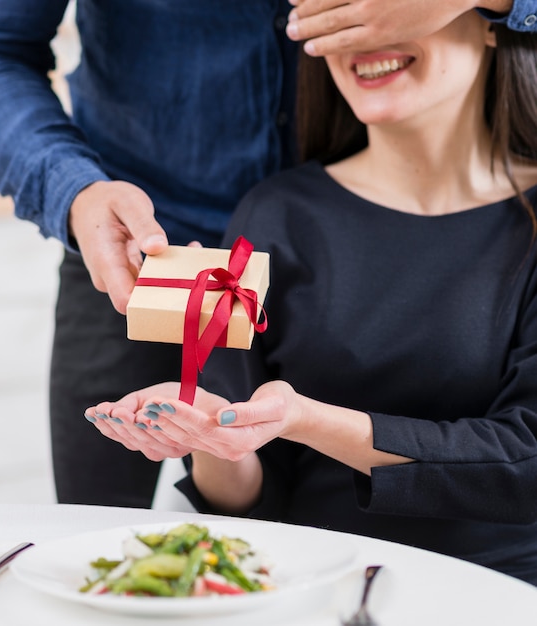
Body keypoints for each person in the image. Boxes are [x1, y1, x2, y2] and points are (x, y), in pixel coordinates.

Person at [0, 0, 536, 509]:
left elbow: (516, 465)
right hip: (144, 250)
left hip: (380, 197)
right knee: (97, 538)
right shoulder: (279, 211)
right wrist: (74, 193)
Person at [84, 10, 537, 585]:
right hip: (308, 587)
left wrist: (304, 418)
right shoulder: (276, 215)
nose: (357, 33)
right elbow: (251, 494)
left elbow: (527, 463)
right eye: (329, 10)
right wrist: (211, 438)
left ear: (498, 15)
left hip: (495, 594)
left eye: (382, 3)